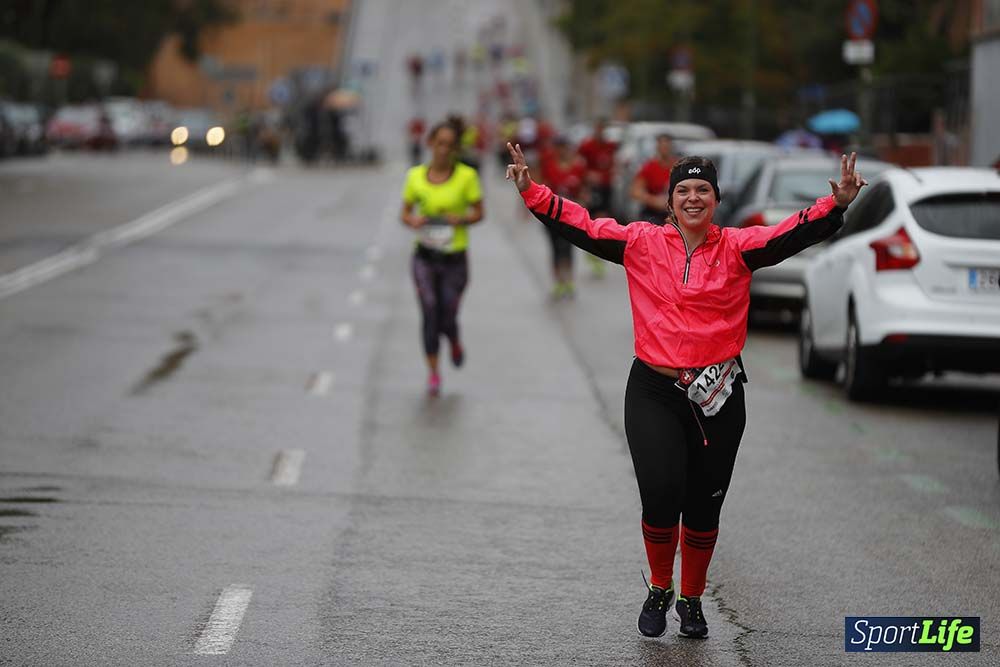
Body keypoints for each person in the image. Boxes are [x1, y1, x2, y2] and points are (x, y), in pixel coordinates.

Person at [506, 142, 867, 639]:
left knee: (703, 506)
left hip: (718, 396)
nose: (692, 198)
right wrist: (533, 192)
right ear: (669, 199)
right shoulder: (641, 243)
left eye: (703, 190)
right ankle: (660, 586)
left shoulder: (738, 248)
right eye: (683, 190)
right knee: (659, 494)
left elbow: (790, 233)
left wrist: (837, 204)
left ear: (715, 199)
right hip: (654, 390)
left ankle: (692, 600)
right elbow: (585, 226)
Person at [400, 122, 484, 396]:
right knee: (429, 310)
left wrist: (460, 219)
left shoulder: (467, 177)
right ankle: (434, 373)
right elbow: (404, 213)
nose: (444, 150)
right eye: (439, 143)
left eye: (449, 145)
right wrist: (414, 220)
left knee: (447, 312)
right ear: (430, 144)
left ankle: (455, 340)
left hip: (454, 259)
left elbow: (479, 212)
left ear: (455, 149)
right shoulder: (415, 176)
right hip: (424, 256)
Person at [539, 136, 586, 298]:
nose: (562, 151)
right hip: (551, 215)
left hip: (571, 216)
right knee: (555, 248)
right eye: (559, 148)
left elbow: (583, 188)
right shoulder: (549, 166)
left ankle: (569, 280)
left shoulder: (578, 167)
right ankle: (558, 281)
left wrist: (582, 204)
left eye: (564, 148)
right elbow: (541, 187)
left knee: (568, 247)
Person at [576, 119, 618, 276]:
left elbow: (614, 162)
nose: (601, 132)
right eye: (598, 128)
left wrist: (614, 172)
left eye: (603, 129)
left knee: (604, 219)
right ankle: (591, 251)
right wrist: (588, 176)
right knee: (592, 220)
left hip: (606, 187)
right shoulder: (587, 146)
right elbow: (578, 163)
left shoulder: (610, 146)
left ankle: (599, 254)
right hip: (592, 188)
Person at [630, 134, 677, 223]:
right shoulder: (650, 167)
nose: (664, 149)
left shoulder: (678, 167)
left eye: (667, 146)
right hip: (653, 213)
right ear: (657, 147)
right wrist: (654, 201)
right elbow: (635, 191)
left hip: (673, 212)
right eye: (662, 146)